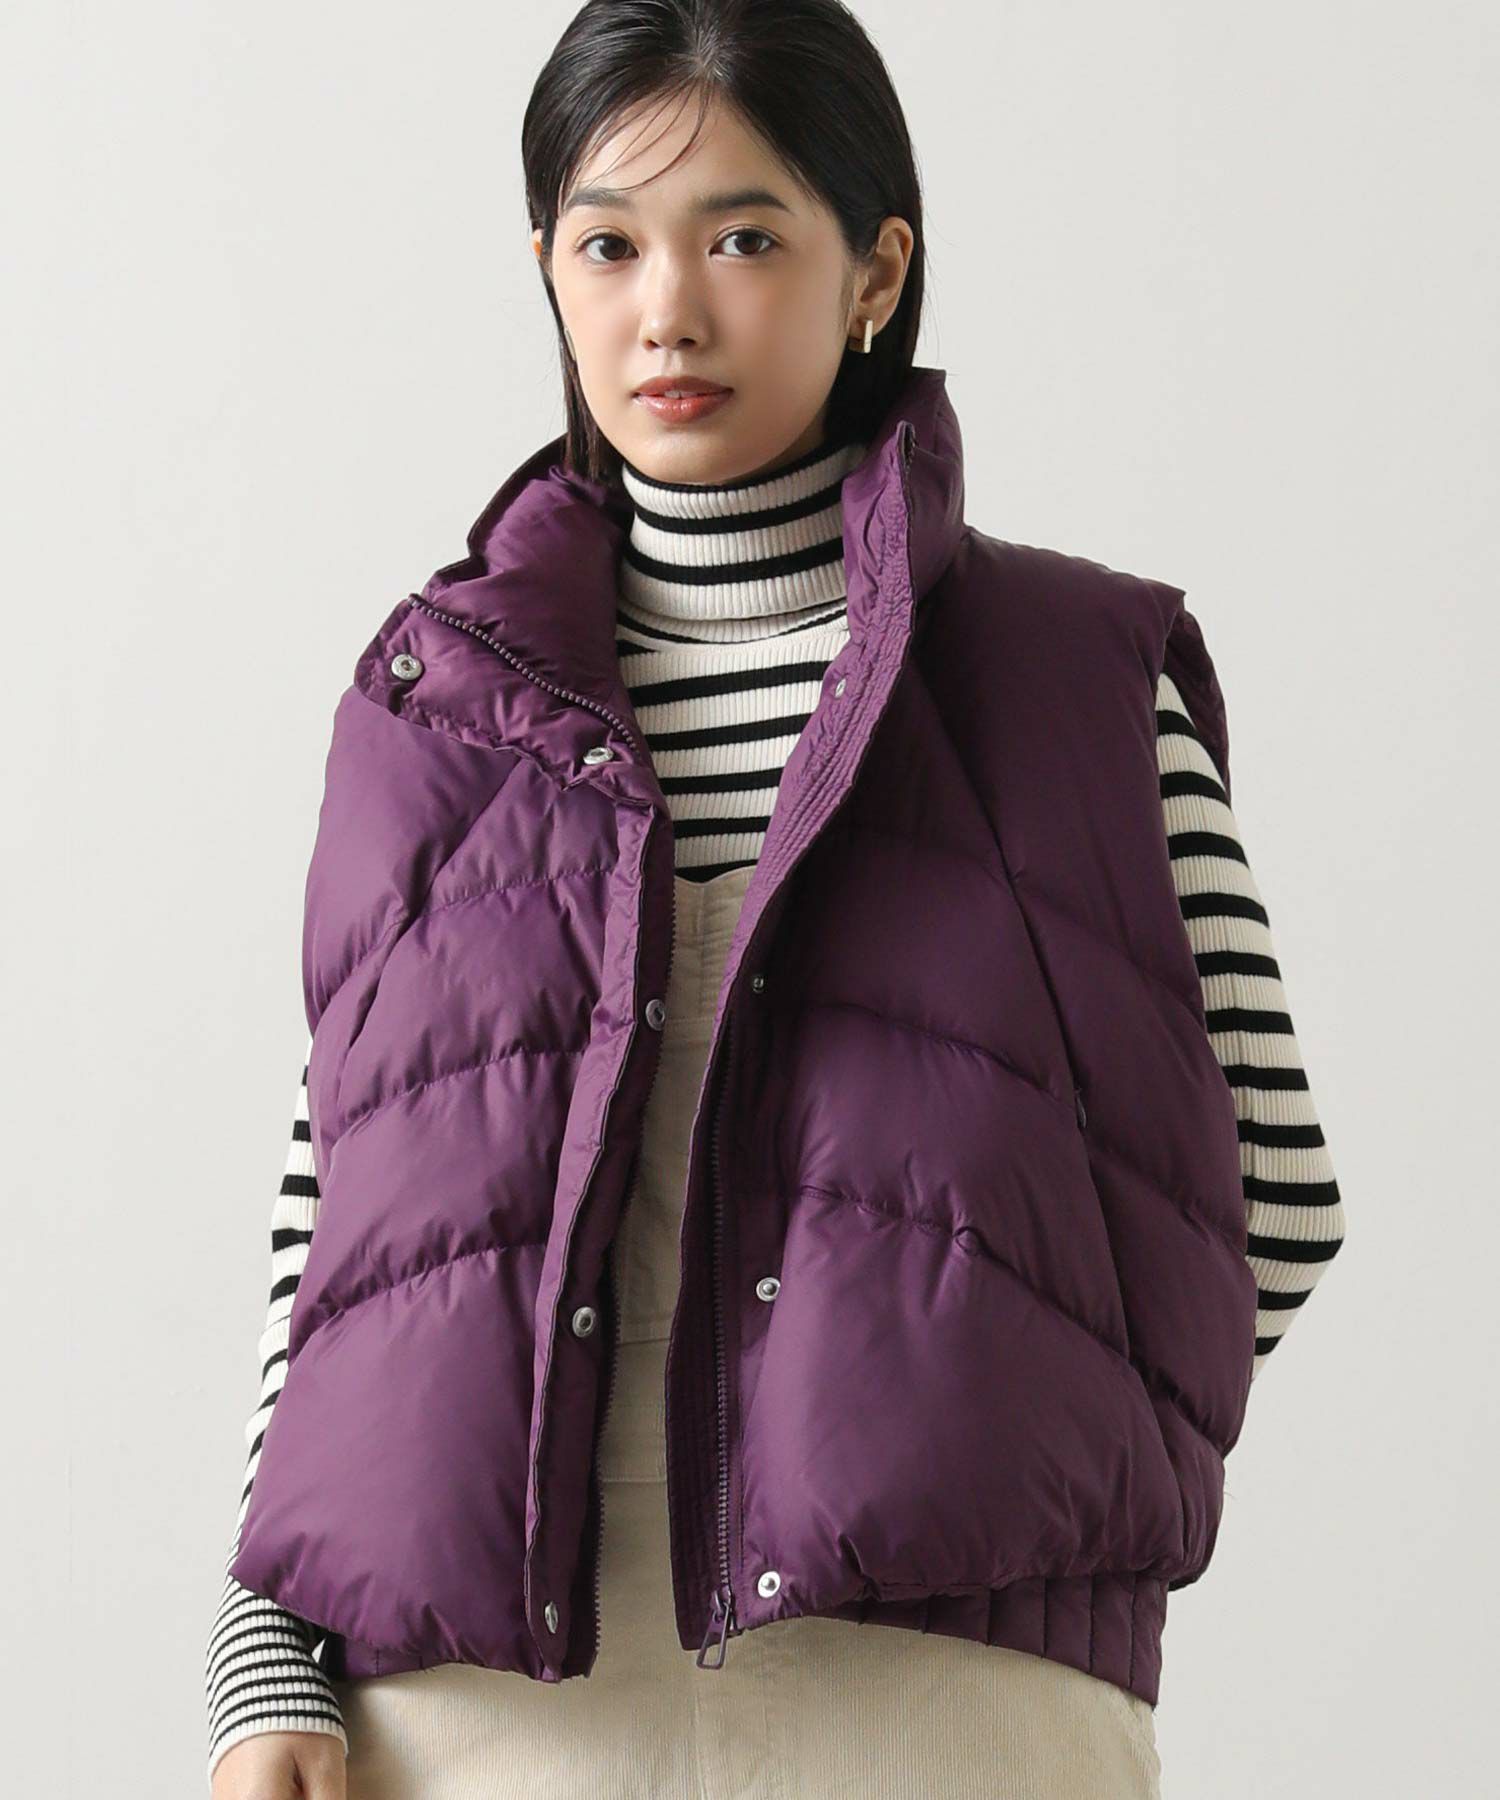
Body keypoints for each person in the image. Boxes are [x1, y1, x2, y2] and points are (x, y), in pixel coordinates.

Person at [204, 3, 1347, 1795]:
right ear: (546, 268)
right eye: (609, 245)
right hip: (483, 1719)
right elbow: (336, 1249)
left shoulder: (1078, 680)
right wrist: (268, 1648)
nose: (668, 310)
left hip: (941, 1716)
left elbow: (1269, 1191)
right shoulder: (433, 714)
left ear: (875, 269)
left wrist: (991, 1462)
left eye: (741, 237)